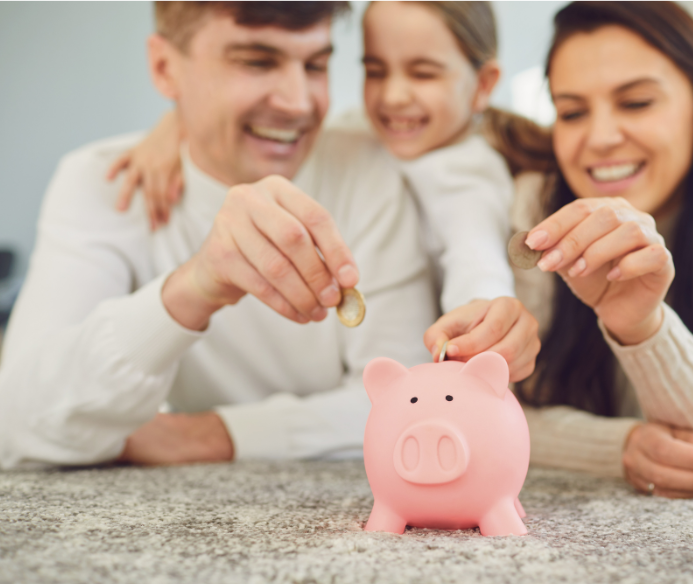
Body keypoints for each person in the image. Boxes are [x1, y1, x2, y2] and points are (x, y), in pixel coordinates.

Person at [0, 1, 537, 470]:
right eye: (256, 61)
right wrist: (193, 288)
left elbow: (403, 400)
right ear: (163, 66)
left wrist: (206, 435)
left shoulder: (375, 168)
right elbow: (11, 426)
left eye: (317, 65)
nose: (298, 104)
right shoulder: (107, 181)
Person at [108, 1, 541, 365]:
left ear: (483, 86)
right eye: (375, 70)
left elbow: (475, 254)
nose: (392, 96)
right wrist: (174, 126)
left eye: (423, 73)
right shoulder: (368, 134)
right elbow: (277, 123)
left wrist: (482, 311)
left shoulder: (466, 171)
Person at [507, 1, 693, 498]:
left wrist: (642, 325)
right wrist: (621, 446)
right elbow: (478, 402)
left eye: (636, 103)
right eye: (572, 112)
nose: (601, 138)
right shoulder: (530, 213)